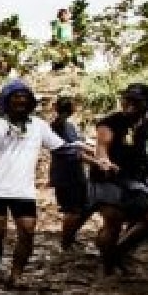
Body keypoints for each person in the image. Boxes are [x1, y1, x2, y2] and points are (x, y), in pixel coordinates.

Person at [0, 79, 75, 286]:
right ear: (6, 100)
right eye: (16, 97)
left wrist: (92, 158)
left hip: (23, 190)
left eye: (25, 98)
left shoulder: (38, 126)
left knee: (27, 232)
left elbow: (62, 149)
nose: (21, 102)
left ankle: (16, 275)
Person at [86, 84, 148, 276]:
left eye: (136, 102)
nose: (130, 105)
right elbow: (102, 147)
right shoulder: (110, 122)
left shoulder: (147, 125)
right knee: (113, 221)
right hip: (107, 178)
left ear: (147, 105)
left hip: (133, 179)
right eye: (127, 100)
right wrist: (104, 161)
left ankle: (118, 252)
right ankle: (108, 269)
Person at [47, 96, 89, 250]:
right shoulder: (61, 126)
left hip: (71, 171)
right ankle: (66, 243)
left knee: (80, 208)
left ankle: (70, 239)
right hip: (67, 173)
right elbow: (73, 149)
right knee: (73, 210)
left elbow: (77, 145)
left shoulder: (65, 125)